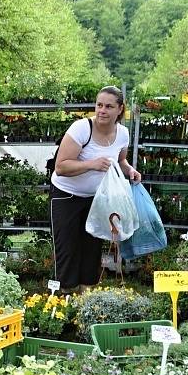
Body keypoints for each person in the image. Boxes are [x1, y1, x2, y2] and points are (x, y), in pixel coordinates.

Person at [50, 85, 141, 291]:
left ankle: (87, 296)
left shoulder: (123, 134)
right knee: (67, 247)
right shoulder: (81, 128)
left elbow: (120, 160)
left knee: (92, 246)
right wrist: (91, 164)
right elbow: (61, 167)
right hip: (66, 195)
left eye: (109, 106)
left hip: (98, 198)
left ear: (120, 109)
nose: (102, 110)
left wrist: (130, 171)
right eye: (99, 105)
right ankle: (64, 296)